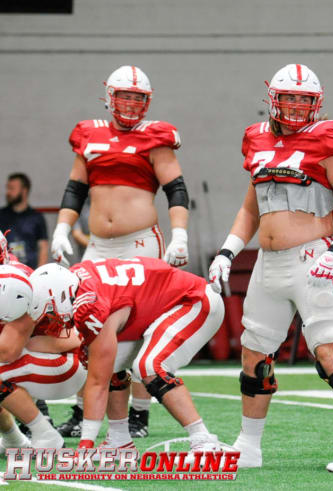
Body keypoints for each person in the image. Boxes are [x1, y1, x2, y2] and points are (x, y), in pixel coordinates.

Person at [208, 64, 333, 473]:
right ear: (274, 98)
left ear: (317, 104)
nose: (297, 105)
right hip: (268, 265)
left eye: (305, 99)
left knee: (329, 350)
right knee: (254, 354)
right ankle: (248, 446)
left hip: (312, 257)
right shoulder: (256, 138)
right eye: (290, 97)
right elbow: (251, 208)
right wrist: (227, 252)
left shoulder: (328, 138)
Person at [51, 65, 192, 439]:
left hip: (141, 241)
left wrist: (180, 235)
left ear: (147, 101)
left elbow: (176, 189)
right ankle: (83, 410)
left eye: (138, 97)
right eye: (124, 96)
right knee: (86, 325)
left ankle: (139, 414)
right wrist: (62, 228)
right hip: (97, 246)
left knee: (142, 329)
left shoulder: (156, 137)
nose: (130, 104)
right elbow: (74, 190)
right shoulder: (88, 133)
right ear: (109, 97)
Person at [28, 258, 225, 459]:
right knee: (107, 364)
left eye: (50, 311)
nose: (50, 318)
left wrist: (85, 446)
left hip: (194, 300)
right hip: (160, 309)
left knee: (148, 366)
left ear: (62, 298)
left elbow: (98, 383)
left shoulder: (92, 307)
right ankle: (119, 440)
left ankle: (204, 440)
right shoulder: (74, 283)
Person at [0, 258, 85, 451]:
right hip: (38, 357)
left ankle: (45, 435)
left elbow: (7, 351)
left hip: (66, 363)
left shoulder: (16, 285)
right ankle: (13, 439)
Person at [0, 173, 48, 269]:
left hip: (30, 272)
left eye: (12, 188)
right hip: (6, 272)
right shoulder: (1, 215)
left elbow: (43, 247)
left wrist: (38, 273)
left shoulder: (36, 217)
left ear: (24, 191)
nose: (8, 192)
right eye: (7, 188)